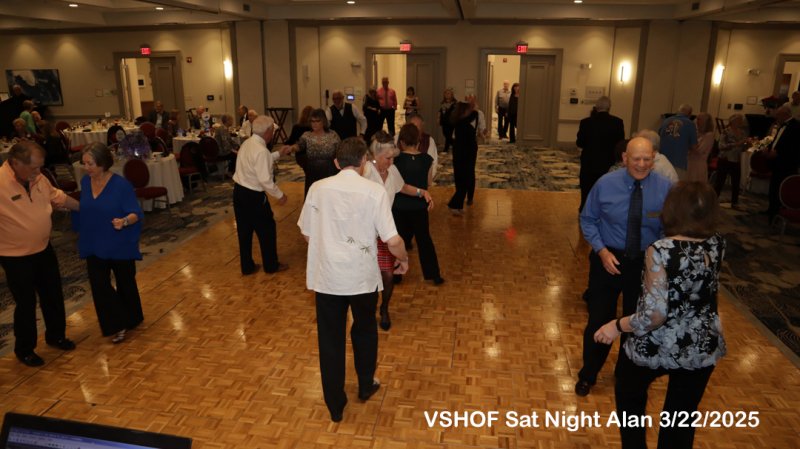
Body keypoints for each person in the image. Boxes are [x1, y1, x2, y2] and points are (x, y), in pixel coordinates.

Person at [594, 181, 726, 449]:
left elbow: (654, 315)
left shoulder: (661, 250)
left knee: (629, 394)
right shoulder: (718, 243)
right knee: (681, 420)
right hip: (700, 344)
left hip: (656, 344)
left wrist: (616, 326)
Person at [298, 137, 409, 423]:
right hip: (361, 278)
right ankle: (365, 383)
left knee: (330, 340)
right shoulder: (374, 191)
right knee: (365, 330)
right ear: (363, 162)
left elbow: (307, 233)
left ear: (336, 162)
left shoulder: (317, 189)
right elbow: (392, 240)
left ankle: (335, 405)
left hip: (328, 278)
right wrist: (404, 258)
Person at [575, 136, 674, 397]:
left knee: (636, 321)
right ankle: (588, 373)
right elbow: (588, 219)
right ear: (624, 158)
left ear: (654, 159)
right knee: (599, 319)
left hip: (645, 263)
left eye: (646, 159)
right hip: (607, 258)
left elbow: (669, 229)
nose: (641, 164)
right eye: (636, 159)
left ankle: (625, 373)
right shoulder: (605, 184)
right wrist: (601, 251)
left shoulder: (665, 188)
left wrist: (657, 260)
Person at [0, 140, 80, 367]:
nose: (39, 172)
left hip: (43, 248)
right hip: (14, 255)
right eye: (34, 168)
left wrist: (86, 209)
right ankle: (25, 349)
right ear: (16, 162)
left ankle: (56, 336)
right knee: (26, 303)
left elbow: (58, 197)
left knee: (53, 294)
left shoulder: (39, 178)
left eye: (40, 167)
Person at [78, 143, 144, 344]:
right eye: (84, 163)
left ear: (103, 163)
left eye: (91, 164)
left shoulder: (121, 185)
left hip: (119, 241)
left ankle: (133, 316)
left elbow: (136, 213)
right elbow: (86, 207)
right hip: (94, 240)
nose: (86, 168)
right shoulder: (86, 182)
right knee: (99, 285)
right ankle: (117, 324)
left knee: (126, 282)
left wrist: (124, 221)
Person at [362, 132, 428, 330]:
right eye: (387, 158)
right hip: (364, 233)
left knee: (388, 275)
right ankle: (368, 310)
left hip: (385, 230)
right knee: (367, 276)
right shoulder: (365, 171)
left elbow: (402, 187)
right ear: (375, 155)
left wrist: (421, 192)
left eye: (392, 158)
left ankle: (384, 308)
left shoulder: (392, 170)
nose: (391, 162)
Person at [232, 115, 291, 275]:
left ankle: (247, 266)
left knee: (244, 232)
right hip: (254, 197)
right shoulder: (261, 150)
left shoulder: (248, 143)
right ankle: (271, 266)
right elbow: (265, 180)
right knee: (267, 230)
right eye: (272, 130)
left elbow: (259, 162)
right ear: (268, 132)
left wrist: (279, 153)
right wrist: (280, 195)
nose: (273, 133)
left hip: (239, 193)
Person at [393, 124, 443, 286]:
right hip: (419, 207)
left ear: (401, 142)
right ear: (418, 141)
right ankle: (434, 275)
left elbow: (395, 184)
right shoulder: (427, 159)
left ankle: (396, 275)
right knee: (424, 241)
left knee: (399, 240)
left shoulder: (396, 160)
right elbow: (428, 182)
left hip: (399, 206)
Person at [576, 96, 625, 212]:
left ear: (596, 107)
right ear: (609, 107)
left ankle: (584, 210)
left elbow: (580, 143)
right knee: (606, 189)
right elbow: (620, 144)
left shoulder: (585, 122)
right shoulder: (617, 122)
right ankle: (603, 211)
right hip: (608, 163)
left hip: (589, 162)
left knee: (587, 188)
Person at [287, 108, 341, 196]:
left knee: (329, 195)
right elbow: (299, 146)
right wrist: (291, 148)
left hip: (330, 169)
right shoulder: (306, 135)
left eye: (317, 121)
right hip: (312, 170)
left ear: (323, 121)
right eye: (312, 121)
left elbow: (340, 150)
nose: (314, 124)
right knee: (313, 194)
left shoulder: (333, 135)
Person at [765, 105, 800, 221]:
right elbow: (777, 141)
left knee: (780, 188)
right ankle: (771, 209)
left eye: (778, 115)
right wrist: (768, 148)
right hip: (776, 162)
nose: (776, 117)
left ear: (785, 114)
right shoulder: (782, 125)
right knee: (773, 186)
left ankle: (777, 212)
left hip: (786, 163)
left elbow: (794, 147)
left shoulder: (796, 126)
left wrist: (778, 153)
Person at [447, 100, 479, 214]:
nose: (470, 112)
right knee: (464, 181)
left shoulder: (461, 122)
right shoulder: (462, 122)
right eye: (468, 110)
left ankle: (458, 205)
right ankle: (454, 205)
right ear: (464, 112)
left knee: (462, 181)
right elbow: (474, 114)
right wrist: (474, 108)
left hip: (464, 155)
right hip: (464, 156)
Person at [713, 114, 748, 208]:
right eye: (739, 120)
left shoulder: (742, 132)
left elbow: (743, 147)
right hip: (725, 159)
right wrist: (736, 144)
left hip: (736, 160)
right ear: (733, 121)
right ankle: (713, 201)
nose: (741, 122)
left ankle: (734, 202)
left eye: (741, 120)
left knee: (736, 182)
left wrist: (746, 145)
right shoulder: (726, 132)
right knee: (720, 182)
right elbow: (721, 146)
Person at [658, 104, 697, 180]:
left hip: (663, 161)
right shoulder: (690, 124)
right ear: (689, 114)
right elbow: (694, 146)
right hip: (679, 162)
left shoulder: (666, 121)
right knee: (677, 186)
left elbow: (659, 137)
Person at [404, 114, 439, 180]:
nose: (414, 132)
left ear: (422, 127)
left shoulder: (429, 141)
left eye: (417, 128)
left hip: (421, 179)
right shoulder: (398, 139)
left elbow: (433, 165)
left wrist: (425, 180)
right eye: (412, 128)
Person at [285, 105, 314, 173]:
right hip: (312, 155)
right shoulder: (313, 128)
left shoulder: (296, 127)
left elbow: (291, 141)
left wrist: (285, 144)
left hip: (300, 156)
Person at [688, 112, 714, 182]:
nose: (696, 121)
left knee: (696, 186)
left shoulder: (709, 135)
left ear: (705, 122)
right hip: (689, 163)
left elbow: (699, 151)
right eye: (697, 119)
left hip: (698, 165)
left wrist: (688, 146)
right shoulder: (696, 133)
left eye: (699, 119)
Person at [438, 88, 457, 153]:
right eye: (445, 93)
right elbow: (440, 111)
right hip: (444, 121)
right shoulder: (443, 103)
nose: (447, 95)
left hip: (451, 122)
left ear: (451, 95)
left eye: (448, 93)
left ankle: (446, 149)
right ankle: (453, 145)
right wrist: (438, 118)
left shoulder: (454, 103)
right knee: (445, 134)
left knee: (449, 135)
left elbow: (456, 112)